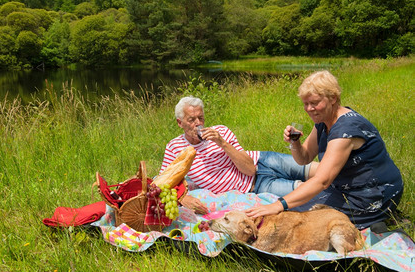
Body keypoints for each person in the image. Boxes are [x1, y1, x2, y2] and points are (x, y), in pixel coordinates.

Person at [245, 71, 404, 229]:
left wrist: (278, 205)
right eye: (305, 104)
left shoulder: (345, 131)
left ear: (333, 98)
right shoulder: (324, 121)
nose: (309, 109)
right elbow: (304, 158)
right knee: (293, 208)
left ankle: (379, 218)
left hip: (372, 195)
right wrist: (295, 143)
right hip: (344, 189)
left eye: (314, 103)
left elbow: (322, 181)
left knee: (296, 219)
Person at [160, 96, 315, 214]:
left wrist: (222, 142)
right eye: (191, 120)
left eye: (200, 118)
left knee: (316, 170)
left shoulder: (220, 131)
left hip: (263, 160)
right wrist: (182, 197)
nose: (198, 123)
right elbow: (161, 183)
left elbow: (249, 169)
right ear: (180, 123)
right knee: (312, 192)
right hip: (257, 186)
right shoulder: (174, 148)